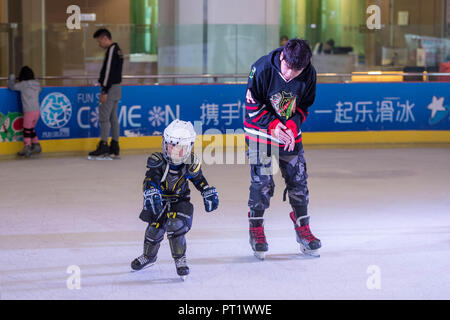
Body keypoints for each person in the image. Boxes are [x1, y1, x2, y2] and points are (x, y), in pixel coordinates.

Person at [243, 38, 321, 259]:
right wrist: (274, 125)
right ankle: (256, 228)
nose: (289, 75)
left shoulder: (308, 74)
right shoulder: (261, 68)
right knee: (263, 182)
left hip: (289, 135)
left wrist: (292, 125)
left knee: (298, 180)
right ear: (282, 57)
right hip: (260, 132)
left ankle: (303, 228)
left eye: (297, 71)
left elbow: (305, 105)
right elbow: (252, 105)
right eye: (288, 67)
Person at [131, 119, 219, 280]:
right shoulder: (158, 161)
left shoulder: (190, 163)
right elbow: (151, 178)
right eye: (170, 146)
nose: (172, 151)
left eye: (178, 148)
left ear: (187, 148)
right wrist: (151, 191)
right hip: (160, 201)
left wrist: (206, 190)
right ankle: (149, 256)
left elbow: (199, 179)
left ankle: (180, 260)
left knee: (175, 225)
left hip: (180, 201)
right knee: (154, 229)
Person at [88, 28, 123, 160]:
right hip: (117, 88)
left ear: (104, 38)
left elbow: (108, 72)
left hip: (110, 88)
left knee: (104, 117)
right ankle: (115, 145)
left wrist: (104, 90)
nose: (99, 44)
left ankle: (103, 144)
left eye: (99, 41)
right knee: (113, 118)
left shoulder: (112, 50)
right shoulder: (118, 50)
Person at [8, 66, 42, 158]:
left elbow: (12, 87)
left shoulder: (23, 84)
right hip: (37, 110)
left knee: (27, 129)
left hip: (29, 111)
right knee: (31, 128)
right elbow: (40, 90)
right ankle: (36, 145)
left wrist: (11, 78)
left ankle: (27, 147)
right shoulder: (37, 84)